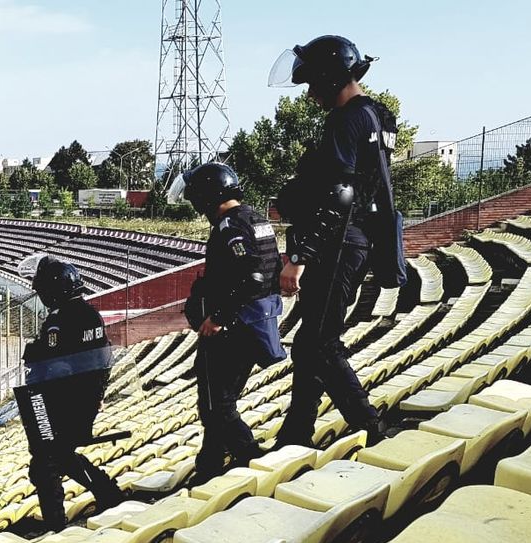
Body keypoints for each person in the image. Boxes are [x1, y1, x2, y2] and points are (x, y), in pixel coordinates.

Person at [268, 35, 400, 447]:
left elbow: (341, 193)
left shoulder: (346, 120)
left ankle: (373, 429)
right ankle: (295, 434)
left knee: (321, 344)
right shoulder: (379, 116)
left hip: (338, 243)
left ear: (329, 77)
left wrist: (300, 256)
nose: (308, 94)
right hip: (357, 240)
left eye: (311, 83)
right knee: (309, 344)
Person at [168, 163, 285, 484]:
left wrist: (219, 317)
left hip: (232, 328)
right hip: (252, 322)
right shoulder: (255, 219)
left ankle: (254, 464)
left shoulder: (229, 226)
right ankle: (208, 469)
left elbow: (251, 276)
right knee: (219, 404)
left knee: (216, 407)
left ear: (208, 195)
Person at [20, 256, 124, 530]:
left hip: (59, 404)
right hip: (86, 399)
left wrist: (33, 354)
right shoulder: (91, 314)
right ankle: (108, 492)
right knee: (62, 456)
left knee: (44, 465)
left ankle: (55, 525)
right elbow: (102, 358)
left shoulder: (59, 320)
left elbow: (52, 365)